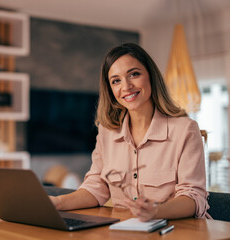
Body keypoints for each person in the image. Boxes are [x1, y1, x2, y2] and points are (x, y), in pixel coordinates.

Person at [49, 43, 210, 221]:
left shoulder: (185, 129)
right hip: (126, 231)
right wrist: (57, 203)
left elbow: (194, 197)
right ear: (110, 90)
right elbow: (96, 187)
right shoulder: (106, 133)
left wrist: (156, 212)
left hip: (178, 232)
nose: (126, 87)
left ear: (150, 76)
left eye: (134, 74)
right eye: (116, 80)